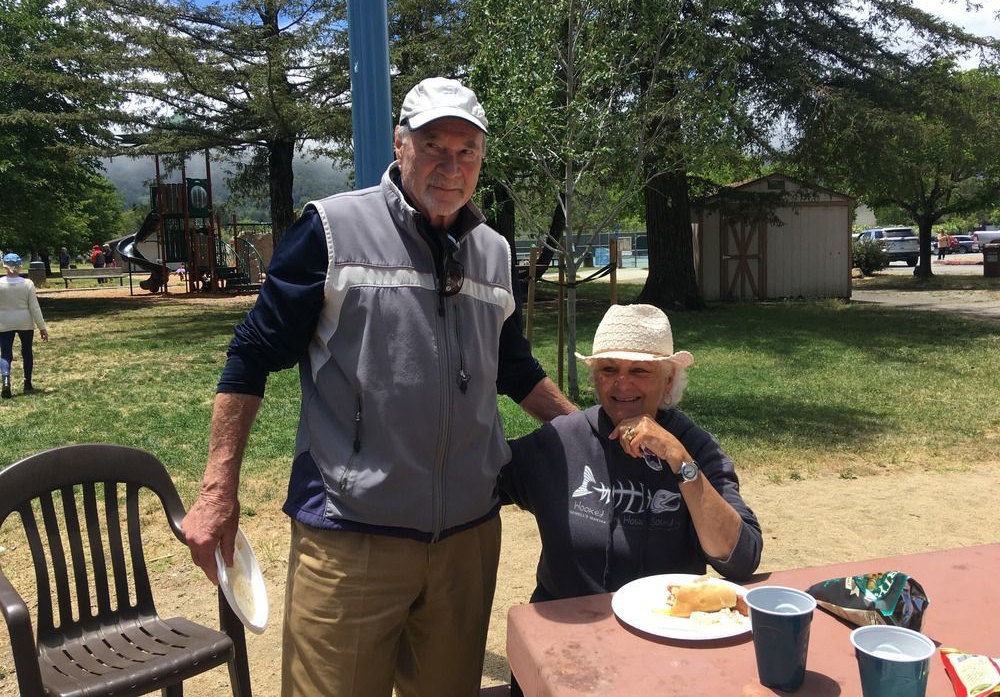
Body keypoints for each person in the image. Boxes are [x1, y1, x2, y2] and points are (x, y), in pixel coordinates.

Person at [181, 77, 576, 697]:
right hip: (351, 534)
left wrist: (595, 433)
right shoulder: (333, 230)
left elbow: (515, 371)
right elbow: (251, 355)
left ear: (481, 158)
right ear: (400, 144)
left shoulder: (494, 253)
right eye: (433, 146)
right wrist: (216, 493)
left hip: (467, 538)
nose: (451, 166)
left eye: (467, 151)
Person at [500, 303, 762, 602]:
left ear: (668, 381)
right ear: (595, 377)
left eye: (639, 370)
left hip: (661, 620)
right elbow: (480, 480)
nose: (622, 383)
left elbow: (741, 558)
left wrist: (680, 461)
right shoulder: (561, 440)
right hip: (567, 623)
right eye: (609, 369)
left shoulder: (695, 446)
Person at [1, 253, 50, 398]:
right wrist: (42, 327)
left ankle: (5, 379)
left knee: (5, 354)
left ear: (4, 266)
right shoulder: (27, 284)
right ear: (20, 266)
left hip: (4, 321)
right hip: (25, 321)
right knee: (27, 352)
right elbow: (34, 307)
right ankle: (27, 382)